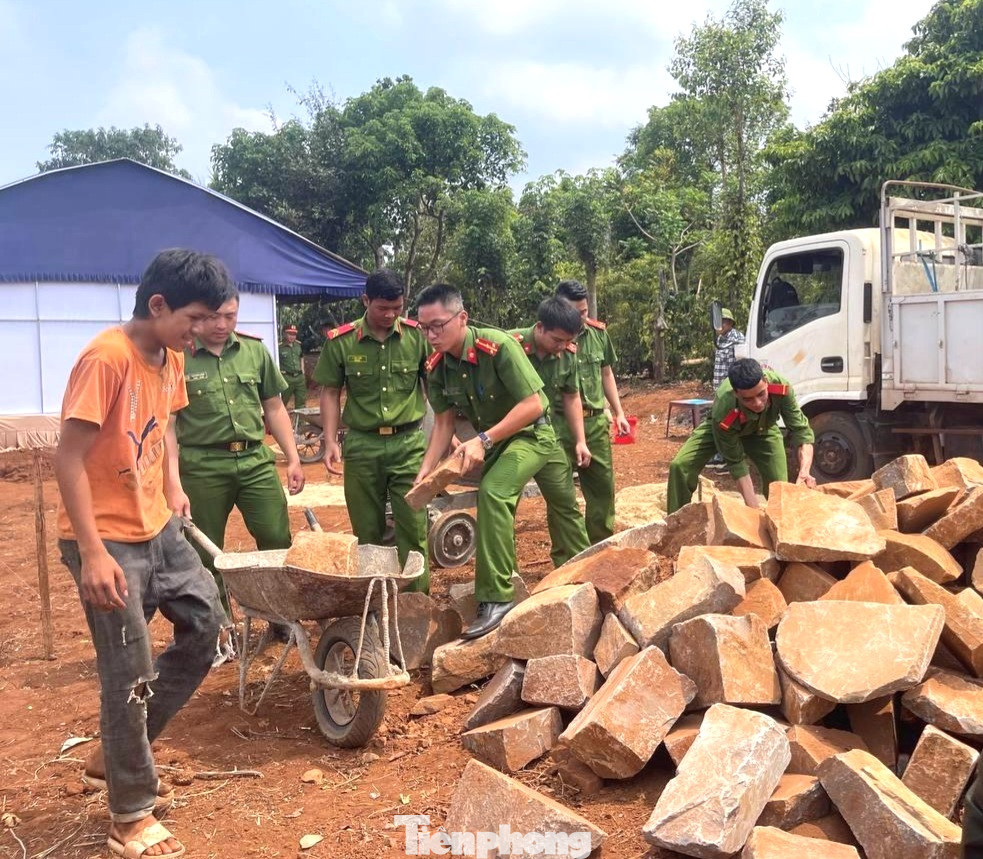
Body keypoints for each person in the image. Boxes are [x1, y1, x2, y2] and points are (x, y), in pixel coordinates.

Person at [54, 249, 234, 859]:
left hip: (159, 527)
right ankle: (129, 814)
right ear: (157, 305)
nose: (205, 328)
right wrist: (94, 553)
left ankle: (119, 753)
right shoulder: (106, 359)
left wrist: (174, 487)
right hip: (106, 540)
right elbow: (68, 457)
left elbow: (166, 430)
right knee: (128, 672)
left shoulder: (170, 356)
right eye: (196, 316)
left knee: (208, 627)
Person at [414, 284, 580, 639]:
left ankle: (581, 571)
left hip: (533, 435)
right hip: (501, 443)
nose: (430, 335)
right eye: (423, 327)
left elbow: (534, 404)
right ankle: (498, 596)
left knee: (564, 507)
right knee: (496, 491)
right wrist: (426, 470)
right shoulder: (437, 366)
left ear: (462, 318)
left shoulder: (498, 346)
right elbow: (443, 423)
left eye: (437, 326)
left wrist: (483, 439)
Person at [174, 291, 306, 653]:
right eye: (213, 316)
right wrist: (172, 483)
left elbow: (274, 407)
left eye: (230, 316)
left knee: (277, 537)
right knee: (205, 552)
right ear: (197, 314)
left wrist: (292, 457)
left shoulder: (254, 351)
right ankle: (220, 632)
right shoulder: (177, 358)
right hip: (202, 466)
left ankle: (280, 620)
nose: (222, 325)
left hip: (254, 461)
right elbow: (168, 426)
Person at [313, 269, 431, 592]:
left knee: (413, 524)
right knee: (367, 529)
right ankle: (377, 601)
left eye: (397, 307)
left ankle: (414, 601)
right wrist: (330, 440)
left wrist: (439, 443)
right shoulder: (341, 342)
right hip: (362, 446)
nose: (391, 315)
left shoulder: (417, 338)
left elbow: (434, 388)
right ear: (366, 301)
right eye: (383, 308)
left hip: (408, 444)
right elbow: (329, 393)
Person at [667, 358, 816, 513]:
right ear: (736, 393)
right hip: (724, 429)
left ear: (765, 381)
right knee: (680, 466)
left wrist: (805, 471)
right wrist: (754, 511)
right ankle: (675, 523)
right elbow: (737, 464)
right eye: (748, 399)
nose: (758, 403)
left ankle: (780, 523)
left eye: (761, 394)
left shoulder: (781, 388)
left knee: (778, 486)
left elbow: (801, 431)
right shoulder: (724, 408)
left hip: (762, 429)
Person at [509, 297, 591, 566]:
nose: (562, 348)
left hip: (546, 437)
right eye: (558, 340)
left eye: (568, 341)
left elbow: (571, 396)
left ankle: (581, 568)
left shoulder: (567, 353)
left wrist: (580, 440)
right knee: (504, 508)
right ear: (540, 327)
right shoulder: (509, 346)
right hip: (509, 440)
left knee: (566, 504)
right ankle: (508, 577)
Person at [554, 279, 630, 544]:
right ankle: (569, 553)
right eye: (575, 313)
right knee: (561, 494)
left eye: (584, 312)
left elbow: (606, 372)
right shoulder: (549, 339)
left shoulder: (598, 334)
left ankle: (601, 546)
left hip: (595, 422)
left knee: (602, 489)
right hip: (559, 426)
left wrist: (618, 412)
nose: (581, 318)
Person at [709, 308, 746, 467]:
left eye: (722, 322)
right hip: (720, 390)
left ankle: (725, 456)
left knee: (725, 422)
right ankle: (722, 454)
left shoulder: (737, 339)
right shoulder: (721, 339)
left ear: (730, 323)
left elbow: (741, 363)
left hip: (730, 390)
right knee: (721, 421)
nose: (718, 326)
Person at [279, 324, 307, 410]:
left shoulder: (298, 345)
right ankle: (280, 422)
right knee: (282, 402)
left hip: (299, 378)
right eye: (290, 334)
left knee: (301, 402)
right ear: (284, 334)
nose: (292, 336)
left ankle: (300, 422)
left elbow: (301, 357)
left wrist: (302, 370)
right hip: (286, 378)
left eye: (294, 334)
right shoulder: (279, 347)